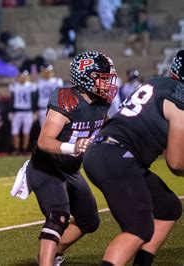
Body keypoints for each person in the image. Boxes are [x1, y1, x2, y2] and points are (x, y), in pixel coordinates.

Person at [11, 51, 118, 265]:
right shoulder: (66, 99)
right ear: (86, 77)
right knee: (58, 216)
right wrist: (74, 146)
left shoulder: (102, 103)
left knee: (89, 221)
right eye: (102, 77)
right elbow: (44, 141)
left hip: (70, 170)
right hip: (46, 166)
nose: (108, 82)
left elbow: (101, 126)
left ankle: (52, 254)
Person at [83, 50, 184, 265]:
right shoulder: (178, 100)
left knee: (168, 208)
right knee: (138, 228)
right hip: (117, 156)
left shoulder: (158, 83)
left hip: (108, 152)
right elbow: (175, 163)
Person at [8, 70, 37, 154]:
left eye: (24, 76)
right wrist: (11, 111)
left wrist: (34, 111)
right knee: (15, 131)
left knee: (26, 131)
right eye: (21, 76)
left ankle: (24, 149)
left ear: (27, 77)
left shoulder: (31, 86)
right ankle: (16, 149)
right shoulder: (14, 86)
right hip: (17, 111)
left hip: (28, 112)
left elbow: (34, 99)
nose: (22, 78)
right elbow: (12, 99)